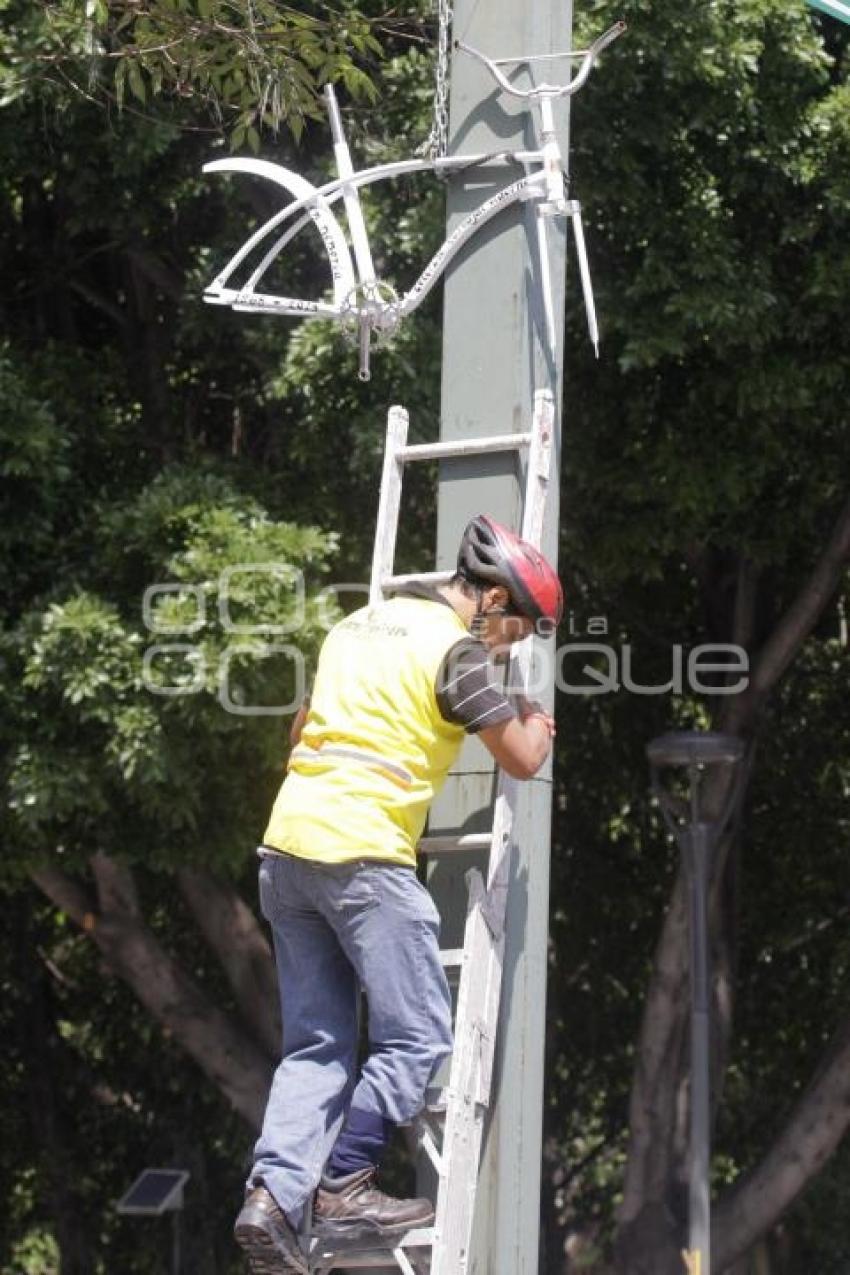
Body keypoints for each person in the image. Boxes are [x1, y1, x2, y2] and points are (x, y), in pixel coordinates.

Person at [234, 514, 563, 1275]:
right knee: (417, 1034)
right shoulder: (459, 654)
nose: (515, 640)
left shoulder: (356, 625)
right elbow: (519, 757)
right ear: (487, 595)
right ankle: (344, 1181)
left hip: (287, 850)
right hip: (365, 858)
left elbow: (300, 733)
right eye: (517, 621)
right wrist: (538, 721)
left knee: (316, 1044)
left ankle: (272, 1198)